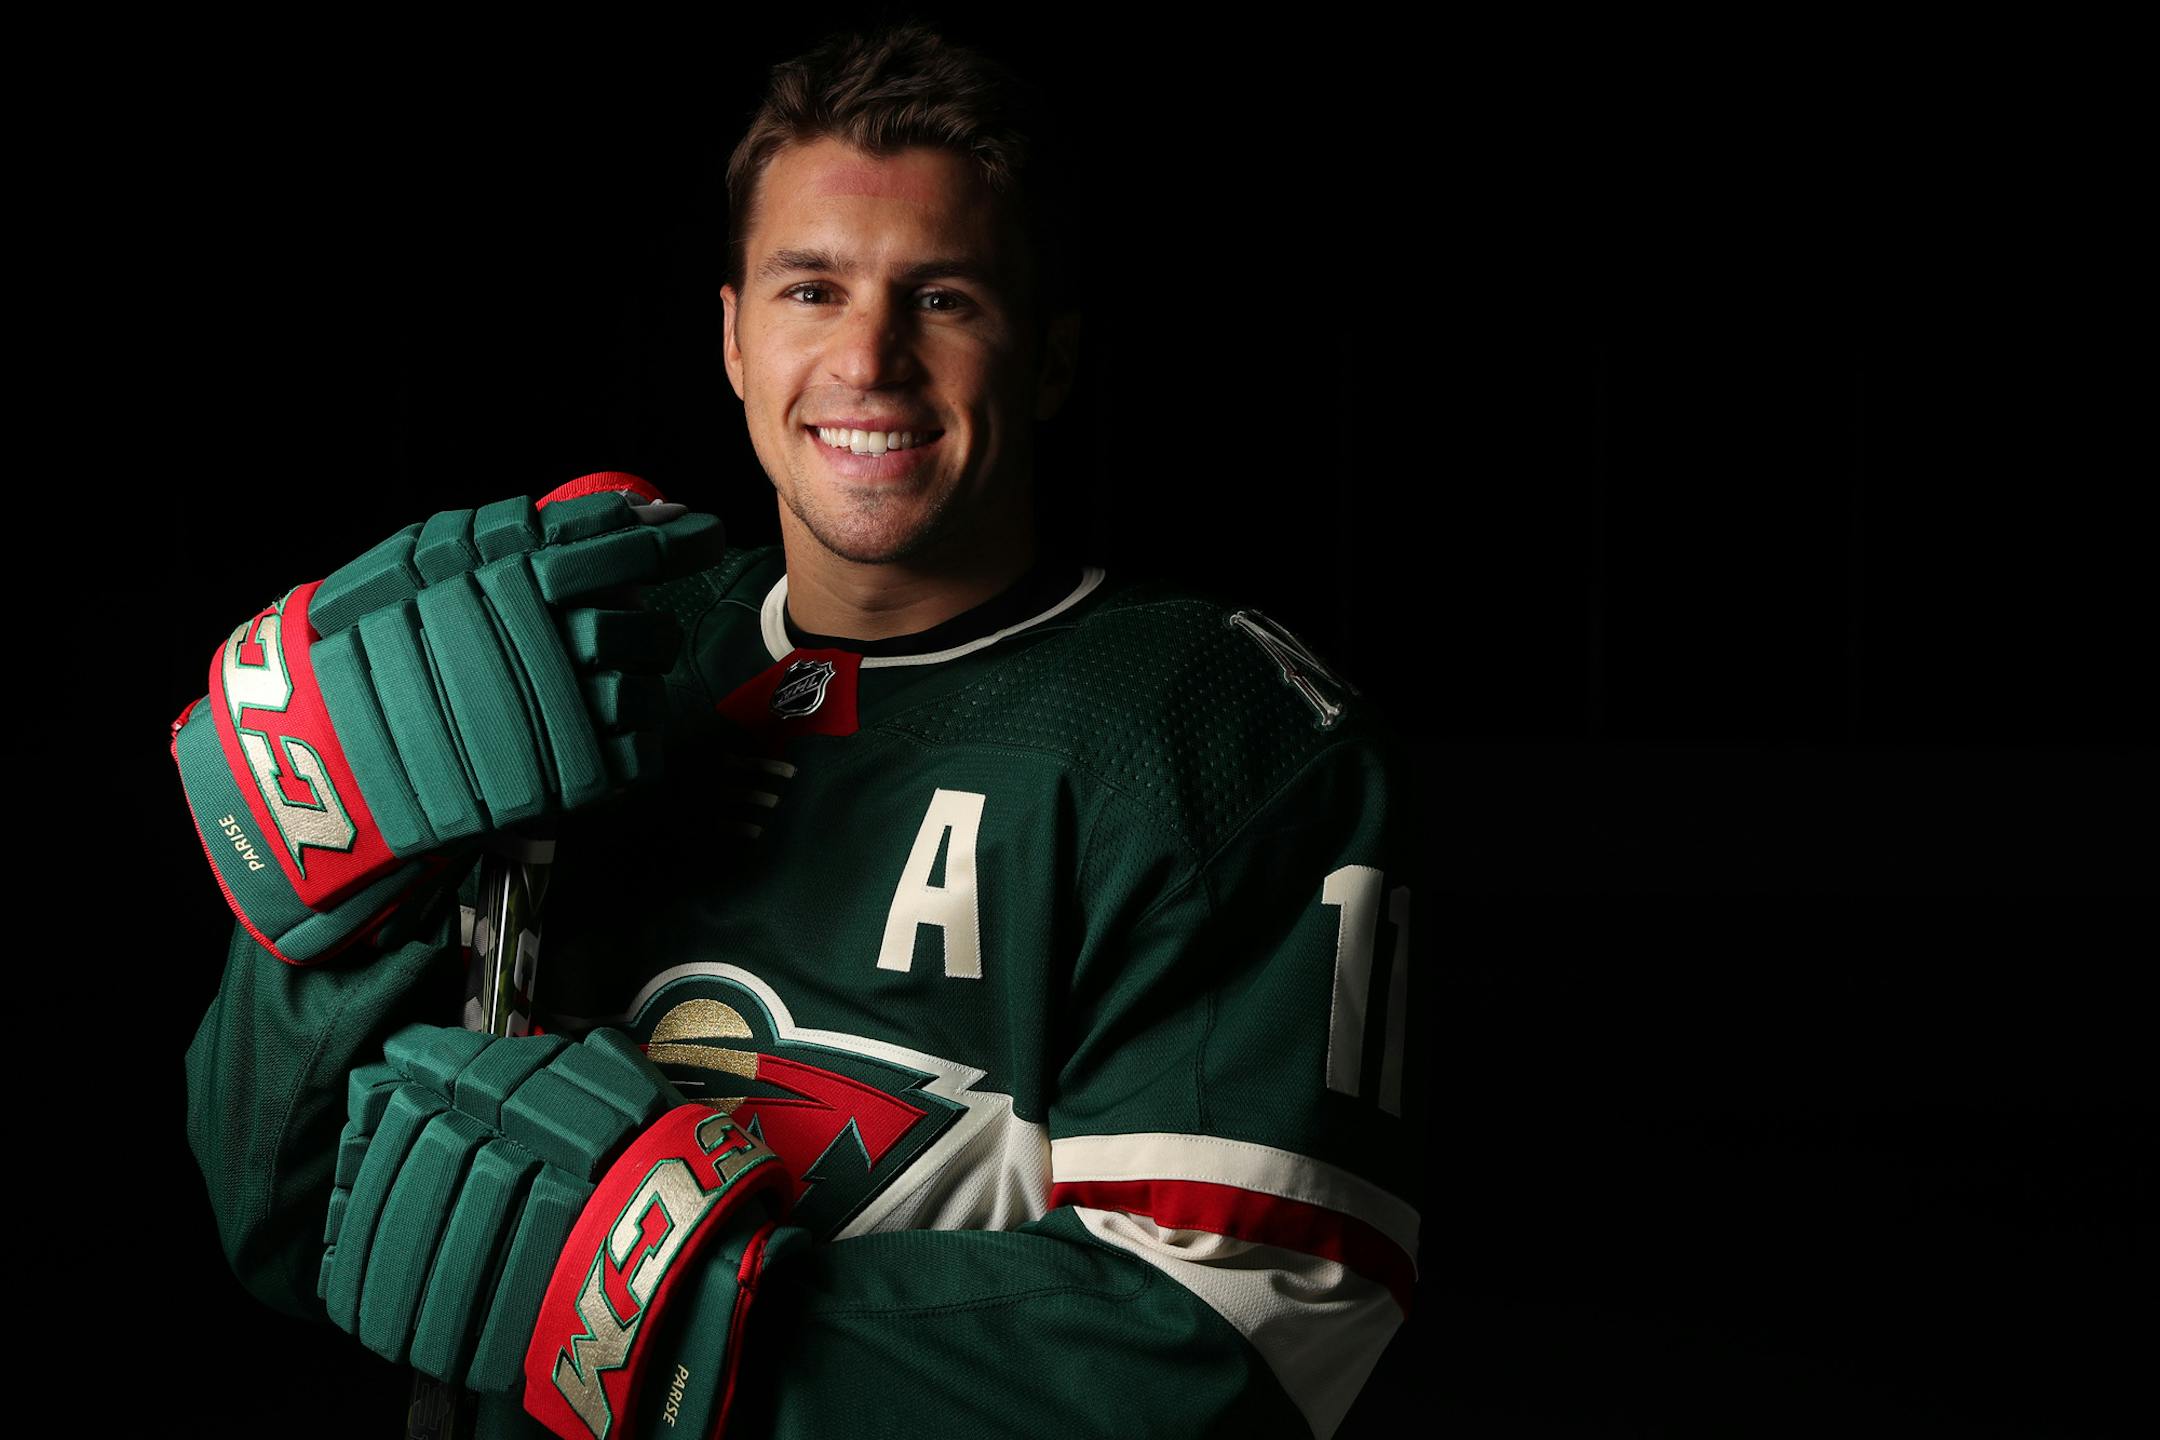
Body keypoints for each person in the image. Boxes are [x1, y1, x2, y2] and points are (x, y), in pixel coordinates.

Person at [176, 24, 1419, 1439]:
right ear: (732, 336)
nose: (867, 359)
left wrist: (688, 1327)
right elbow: (291, 1230)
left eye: (941, 297)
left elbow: (1234, 1343)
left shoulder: (1215, 739)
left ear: (1052, 356)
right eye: (811, 289)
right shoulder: (578, 659)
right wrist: (340, 889)